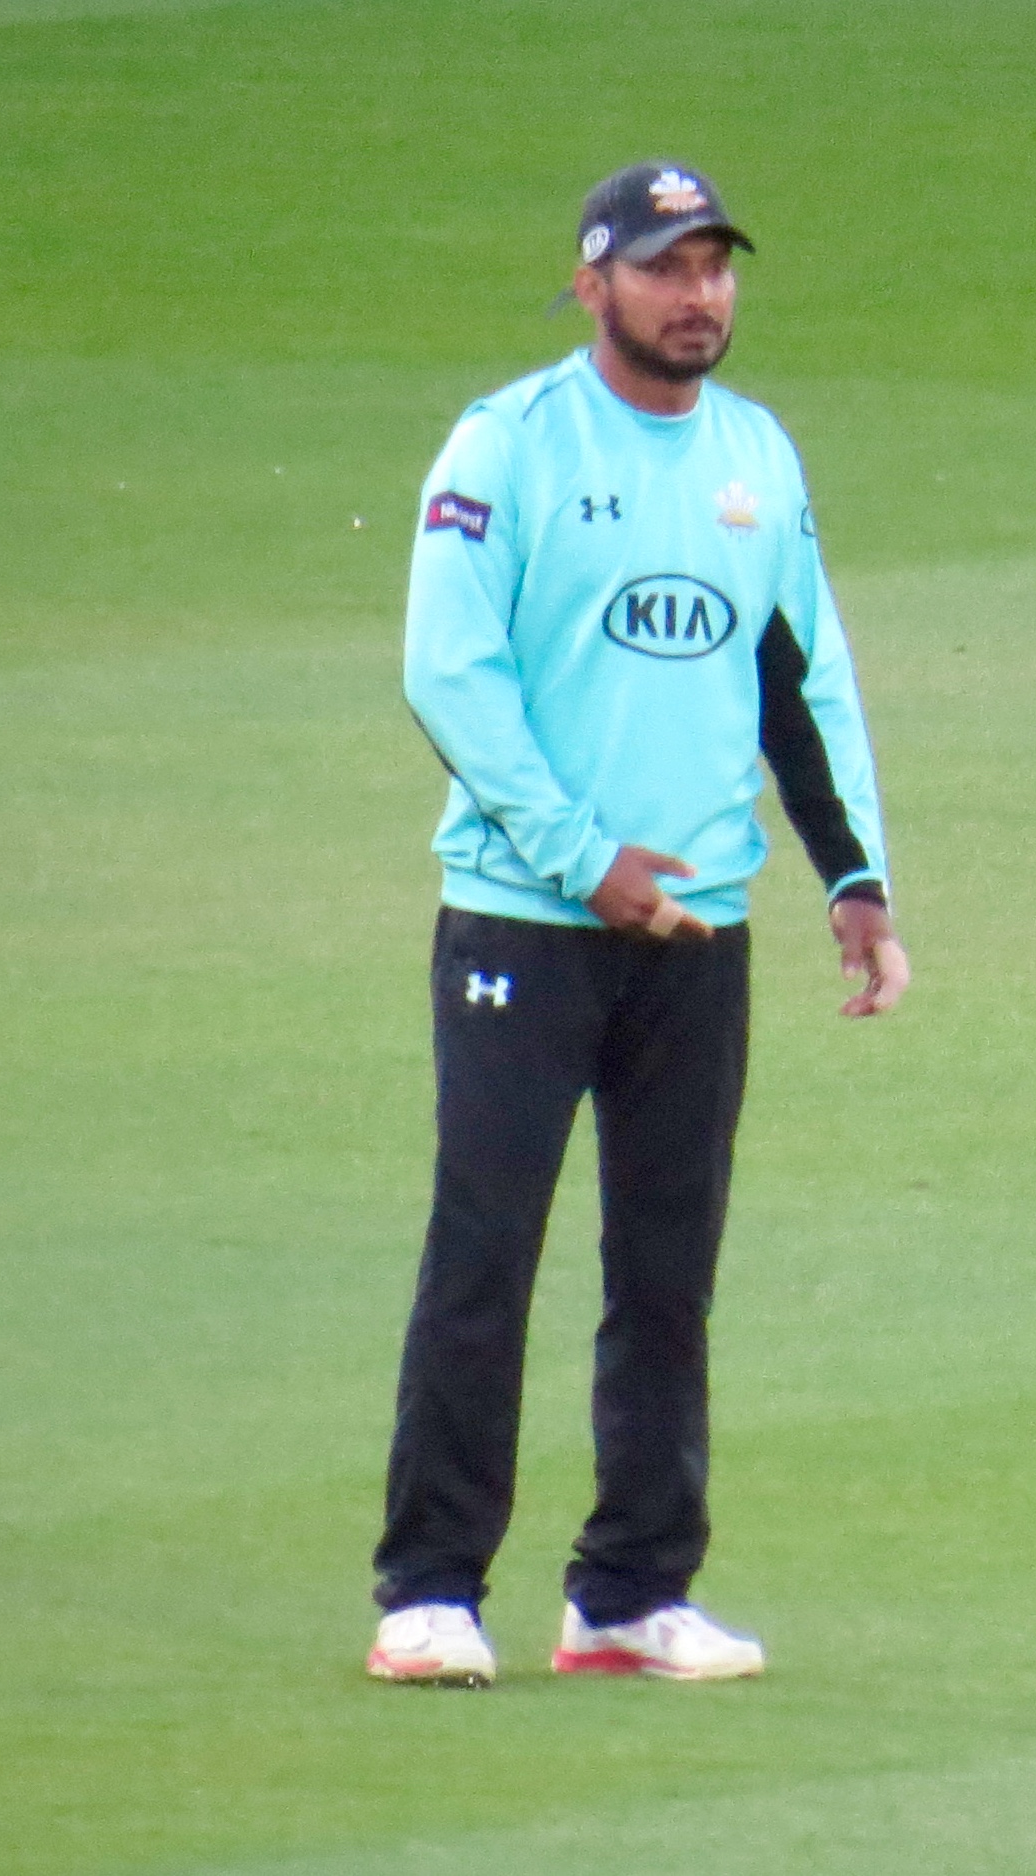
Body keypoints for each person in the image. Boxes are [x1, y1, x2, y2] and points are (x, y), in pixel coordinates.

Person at [367, 160, 909, 1687]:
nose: (697, 295)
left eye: (715, 266)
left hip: (697, 934)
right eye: (665, 267)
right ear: (592, 280)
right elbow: (447, 670)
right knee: (486, 1255)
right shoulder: (508, 444)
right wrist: (580, 855)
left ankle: (627, 1594)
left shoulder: (755, 455)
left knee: (667, 1273)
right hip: (520, 924)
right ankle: (428, 1591)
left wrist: (853, 878)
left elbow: (798, 675)